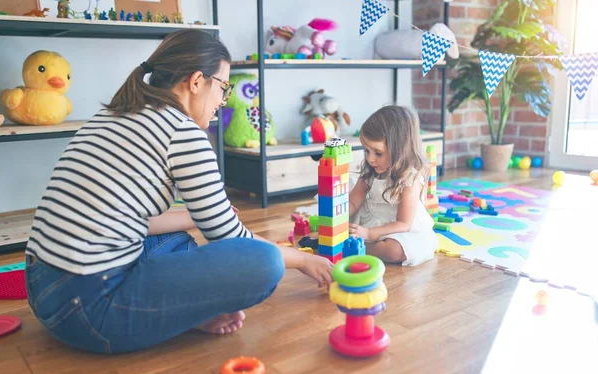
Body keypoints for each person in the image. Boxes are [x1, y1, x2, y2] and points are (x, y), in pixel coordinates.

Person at [24, 29, 333, 355]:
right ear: (197, 81)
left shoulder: (113, 114)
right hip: (89, 310)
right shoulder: (182, 131)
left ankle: (181, 314)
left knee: (179, 242)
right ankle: (178, 313)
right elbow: (231, 240)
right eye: (223, 89)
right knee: (267, 262)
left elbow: (129, 223)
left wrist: (196, 217)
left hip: (43, 288)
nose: (221, 102)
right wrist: (299, 260)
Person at [348, 105, 438, 266]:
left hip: (398, 230)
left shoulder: (410, 179)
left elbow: (403, 223)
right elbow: (353, 202)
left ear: (399, 149)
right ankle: (351, 243)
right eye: (366, 151)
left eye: (378, 153)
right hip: (371, 221)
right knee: (344, 226)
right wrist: (336, 218)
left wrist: (369, 234)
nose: (370, 159)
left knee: (394, 251)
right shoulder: (371, 171)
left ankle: (354, 248)